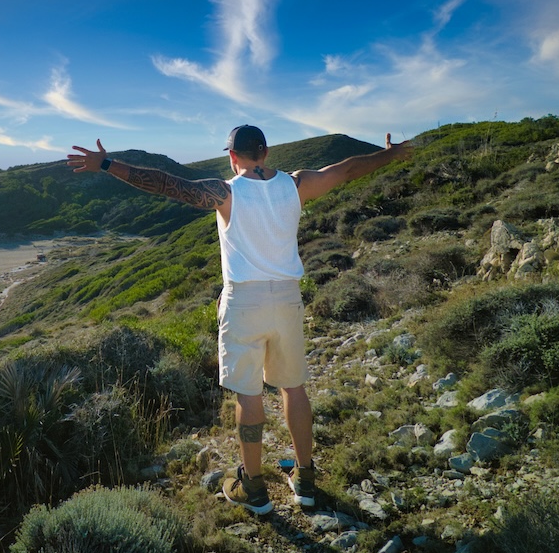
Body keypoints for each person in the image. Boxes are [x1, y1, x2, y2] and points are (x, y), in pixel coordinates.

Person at [67, 125, 412, 514]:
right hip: (287, 298)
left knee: (248, 395)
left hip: (243, 301)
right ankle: (306, 477)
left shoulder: (225, 192)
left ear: (232, 156)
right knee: (294, 389)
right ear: (265, 153)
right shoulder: (296, 184)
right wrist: (391, 155)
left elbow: (167, 184)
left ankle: (253, 486)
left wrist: (108, 164)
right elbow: (348, 168)